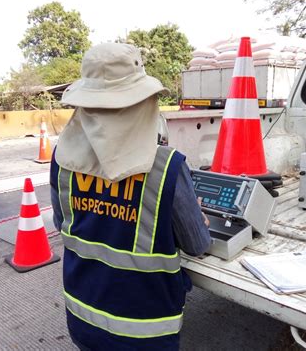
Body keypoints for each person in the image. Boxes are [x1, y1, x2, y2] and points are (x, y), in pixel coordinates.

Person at [50, 43, 211, 351]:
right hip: (145, 335)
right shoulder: (167, 168)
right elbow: (197, 245)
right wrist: (196, 219)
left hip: (83, 319)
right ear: (142, 102)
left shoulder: (63, 159)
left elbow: (66, 223)